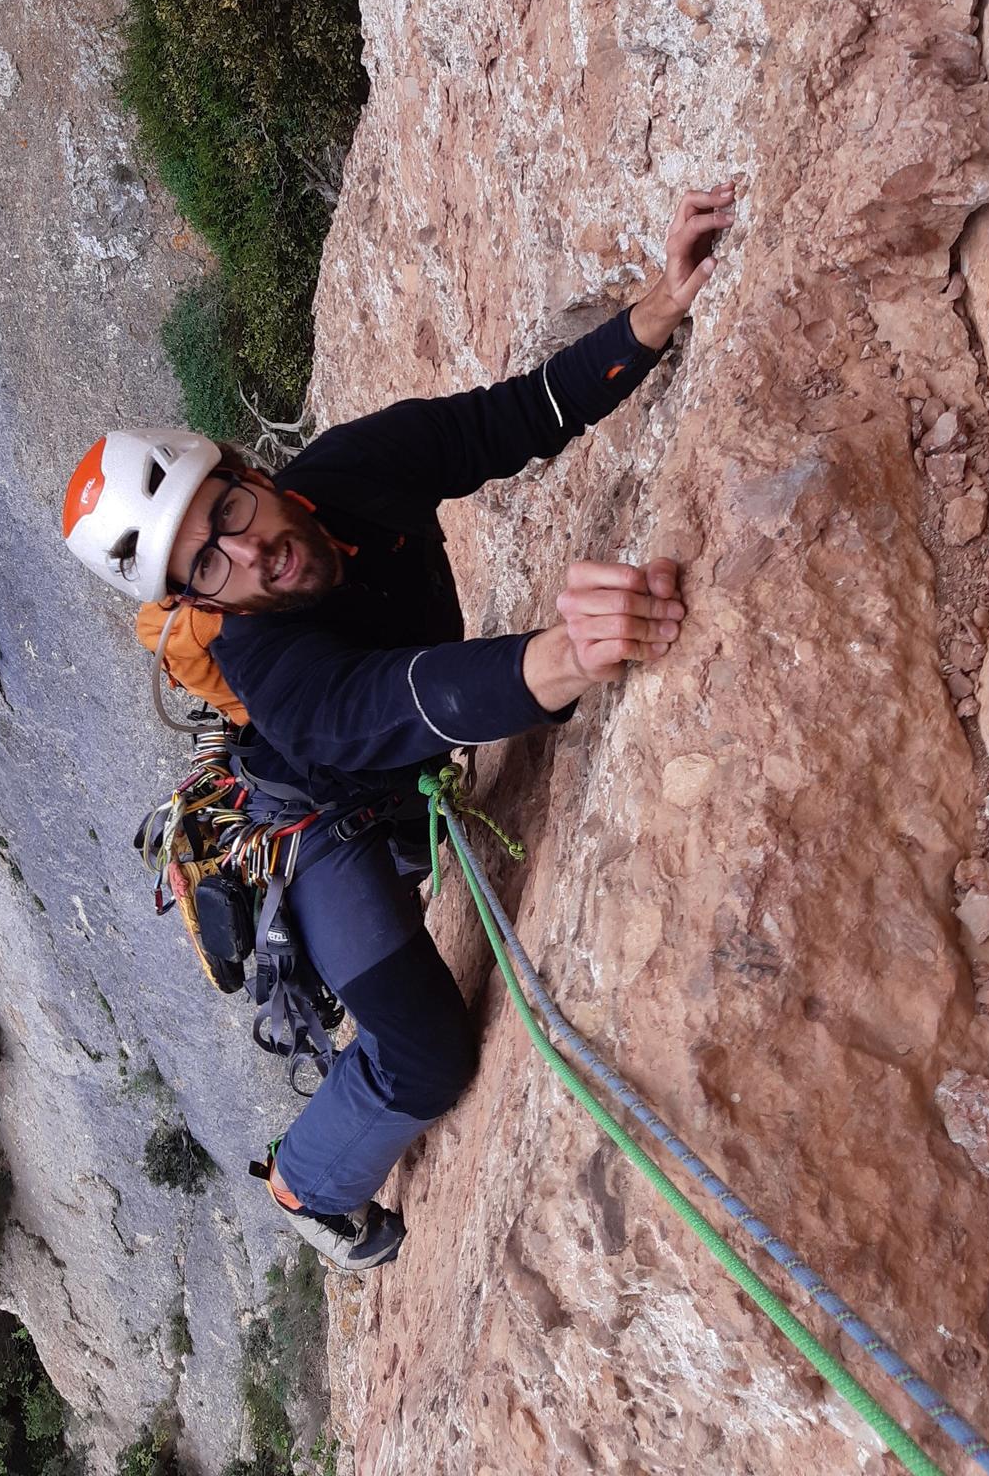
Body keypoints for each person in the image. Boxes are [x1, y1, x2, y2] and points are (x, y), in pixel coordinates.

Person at [63, 185, 734, 1269]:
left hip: (393, 780)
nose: (246, 553)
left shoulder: (348, 475)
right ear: (198, 601)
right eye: (206, 566)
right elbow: (391, 701)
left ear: (245, 470)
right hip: (319, 825)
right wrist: (553, 660)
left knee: (420, 853)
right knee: (426, 1055)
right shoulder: (267, 663)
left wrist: (657, 310)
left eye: (228, 511)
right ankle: (309, 1180)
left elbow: (506, 420)